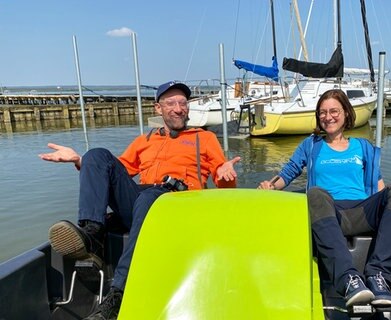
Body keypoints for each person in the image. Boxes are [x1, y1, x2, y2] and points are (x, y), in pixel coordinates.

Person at [39, 81, 240, 320]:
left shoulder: (204, 138)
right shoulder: (144, 141)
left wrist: (226, 173)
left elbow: (224, 185)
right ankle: (92, 234)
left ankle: (118, 293)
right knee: (97, 155)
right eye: (171, 103)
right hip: (142, 201)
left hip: (179, 205)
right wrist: (81, 161)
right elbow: (114, 173)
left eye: (183, 103)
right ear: (158, 109)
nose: (178, 108)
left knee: (148, 196)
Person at [258, 89, 391, 308]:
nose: (327, 117)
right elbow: (289, 172)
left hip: (362, 212)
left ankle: (378, 275)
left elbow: (379, 187)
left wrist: (390, 208)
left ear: (346, 113)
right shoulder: (311, 145)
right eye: (322, 112)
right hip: (329, 214)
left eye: (333, 111)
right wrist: (270, 186)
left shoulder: (363, 147)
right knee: (315, 193)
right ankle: (349, 279)